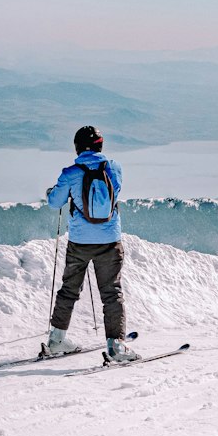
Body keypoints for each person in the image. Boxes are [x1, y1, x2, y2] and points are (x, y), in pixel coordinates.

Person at [44, 125, 139, 361]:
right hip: (109, 240)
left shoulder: (70, 173)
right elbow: (114, 193)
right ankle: (116, 346)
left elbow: (54, 202)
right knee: (111, 292)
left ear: (77, 147)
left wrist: (51, 192)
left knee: (69, 289)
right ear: (100, 145)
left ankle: (56, 340)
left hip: (79, 242)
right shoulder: (114, 168)